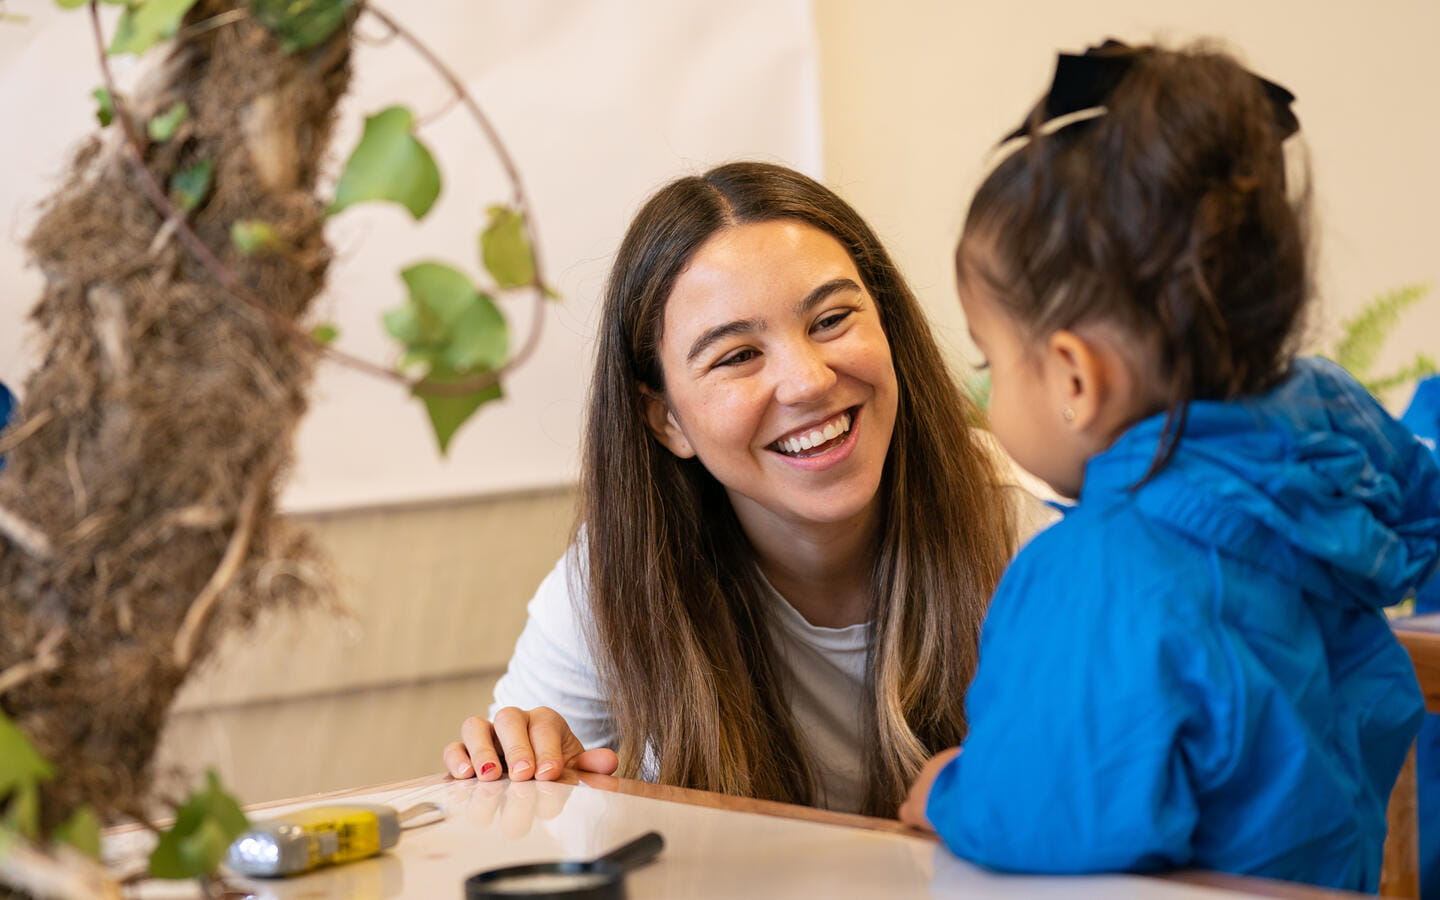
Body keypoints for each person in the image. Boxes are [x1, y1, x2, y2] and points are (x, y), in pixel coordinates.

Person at [898, 40, 1440, 891]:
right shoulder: (1331, 463)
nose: (989, 393)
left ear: (1074, 377)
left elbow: (1053, 819)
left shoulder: (1099, 579)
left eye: (989, 361)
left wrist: (951, 793)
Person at [442, 161, 1030, 815]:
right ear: (666, 420)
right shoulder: (612, 581)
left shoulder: (1026, 528)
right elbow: (509, 823)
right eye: (737, 356)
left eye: (832, 319)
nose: (807, 381)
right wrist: (528, 773)